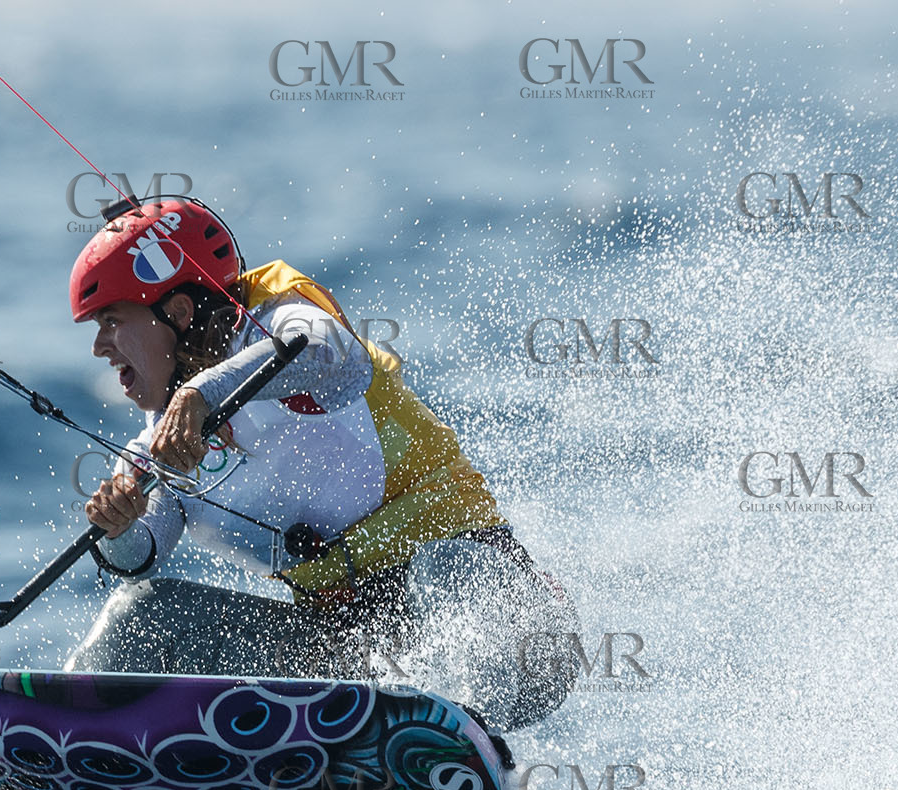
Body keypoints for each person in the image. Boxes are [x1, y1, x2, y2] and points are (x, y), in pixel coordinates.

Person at [61, 196, 576, 731]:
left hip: (513, 623)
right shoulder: (162, 444)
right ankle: (47, 772)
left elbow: (333, 354)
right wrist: (117, 529)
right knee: (139, 612)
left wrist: (201, 392)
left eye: (113, 321)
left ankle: (445, 740)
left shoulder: (276, 318)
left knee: (443, 576)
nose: (100, 347)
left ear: (180, 313)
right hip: (356, 661)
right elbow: (141, 555)